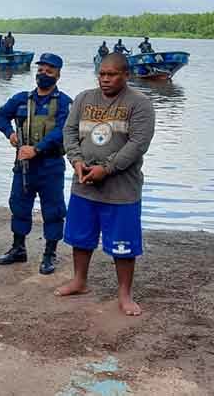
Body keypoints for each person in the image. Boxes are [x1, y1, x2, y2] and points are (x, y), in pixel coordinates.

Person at [56, 53, 156, 316]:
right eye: (102, 74)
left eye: (112, 74)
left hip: (121, 189)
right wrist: (76, 161)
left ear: (126, 75)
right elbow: (70, 131)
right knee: (81, 236)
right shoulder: (84, 99)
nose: (105, 79)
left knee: (123, 245)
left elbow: (138, 144)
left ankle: (124, 294)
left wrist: (107, 168)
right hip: (84, 183)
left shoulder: (140, 104)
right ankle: (79, 280)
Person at [0, 53, 72, 274]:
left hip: (50, 165)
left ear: (58, 74)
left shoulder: (65, 102)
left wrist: (36, 149)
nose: (43, 74)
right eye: (40, 70)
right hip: (23, 166)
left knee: (54, 210)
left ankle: (49, 254)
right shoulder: (22, 99)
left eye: (49, 70)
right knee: (18, 205)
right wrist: (10, 134)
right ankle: (18, 249)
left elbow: (62, 131)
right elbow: (0, 116)